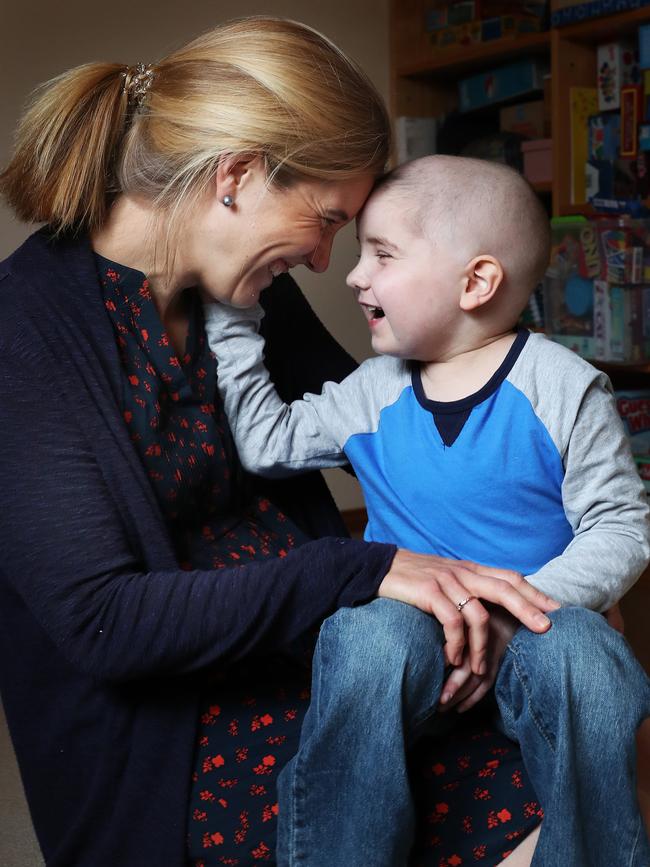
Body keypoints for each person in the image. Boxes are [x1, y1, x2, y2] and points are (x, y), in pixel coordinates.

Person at [0, 17, 562, 867]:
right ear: (236, 176)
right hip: (177, 730)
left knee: (568, 795)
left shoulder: (249, 296)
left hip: (323, 646)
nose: (327, 258)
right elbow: (104, 623)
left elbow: (395, 431)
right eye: (327, 219)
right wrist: (362, 570)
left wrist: (504, 554)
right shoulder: (24, 334)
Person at [203, 154, 650, 865]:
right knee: (363, 640)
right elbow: (268, 440)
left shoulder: (565, 388)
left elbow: (620, 525)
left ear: (475, 281)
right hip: (411, 623)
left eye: (380, 254)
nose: (354, 275)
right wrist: (232, 317)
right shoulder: (370, 390)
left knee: (592, 663)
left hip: (533, 623)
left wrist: (520, 607)